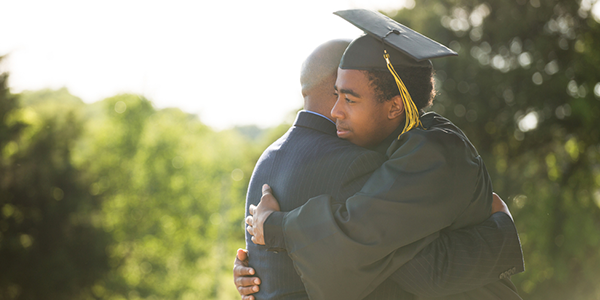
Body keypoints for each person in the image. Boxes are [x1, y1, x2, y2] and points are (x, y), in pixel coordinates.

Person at [244, 9, 523, 300]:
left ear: (394, 107)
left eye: (349, 99)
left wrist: (275, 227)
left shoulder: (436, 151)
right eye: (336, 94)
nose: (335, 110)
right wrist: (256, 273)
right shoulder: (385, 145)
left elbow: (395, 250)